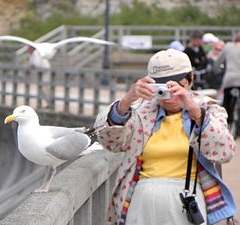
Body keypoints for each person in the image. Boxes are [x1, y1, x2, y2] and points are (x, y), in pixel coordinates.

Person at [94, 49, 237, 225]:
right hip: (141, 200)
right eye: (160, 87)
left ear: (190, 79)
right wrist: (126, 102)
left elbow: (225, 152)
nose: (168, 94)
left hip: (187, 200)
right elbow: (108, 142)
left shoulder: (208, 109)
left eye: (176, 85)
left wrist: (196, 112)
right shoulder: (139, 111)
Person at [214, 33, 240, 128]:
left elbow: (218, 63)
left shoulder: (228, 47)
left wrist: (217, 72)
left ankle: (225, 125)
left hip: (230, 79)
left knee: (227, 104)